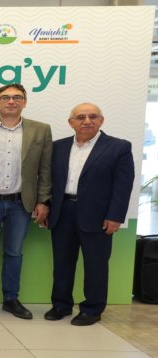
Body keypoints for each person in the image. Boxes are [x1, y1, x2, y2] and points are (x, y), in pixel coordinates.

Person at [46, 103, 134, 326]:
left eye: (93, 116)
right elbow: (49, 180)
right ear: (71, 122)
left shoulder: (118, 147)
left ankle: (92, 309)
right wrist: (45, 205)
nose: (87, 121)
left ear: (101, 121)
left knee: (96, 265)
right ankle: (61, 305)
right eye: (81, 117)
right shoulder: (58, 147)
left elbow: (123, 185)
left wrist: (115, 216)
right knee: (62, 263)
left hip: (98, 215)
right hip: (63, 211)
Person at [0, 84, 52, 319]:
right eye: (5, 97)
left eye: (17, 97)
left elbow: (45, 169)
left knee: (14, 252)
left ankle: (11, 299)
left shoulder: (41, 130)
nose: (11, 101)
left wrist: (43, 200)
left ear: (24, 102)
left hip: (21, 202)